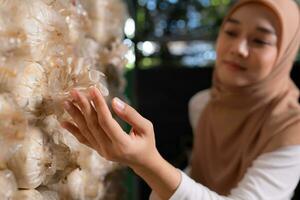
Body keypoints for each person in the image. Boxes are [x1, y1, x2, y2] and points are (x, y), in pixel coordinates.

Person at [61, 0, 300, 199]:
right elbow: (197, 178)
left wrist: (147, 163)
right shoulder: (204, 104)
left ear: (285, 53)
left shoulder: (292, 130)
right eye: (231, 32)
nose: (239, 48)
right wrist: (142, 163)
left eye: (259, 41)